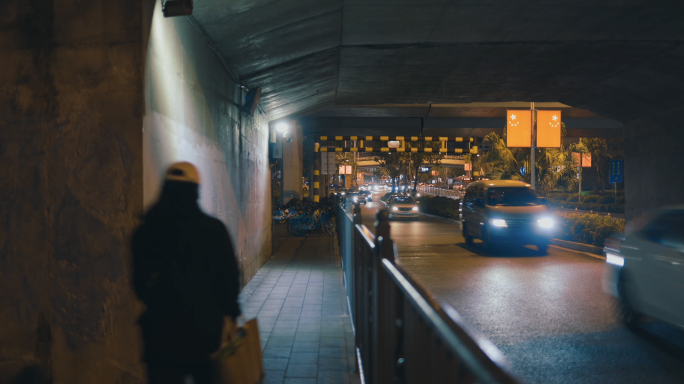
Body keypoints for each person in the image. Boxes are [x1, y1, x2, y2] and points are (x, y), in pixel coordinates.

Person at [132, 162, 241, 384]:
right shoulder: (213, 230)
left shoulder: (146, 231)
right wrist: (231, 311)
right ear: (195, 191)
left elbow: (139, 284)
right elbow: (229, 278)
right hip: (205, 331)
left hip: (160, 333)